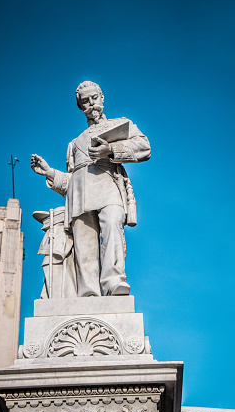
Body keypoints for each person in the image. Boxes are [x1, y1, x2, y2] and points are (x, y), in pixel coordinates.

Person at [31, 80, 150, 297]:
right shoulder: (74, 144)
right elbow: (72, 181)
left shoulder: (121, 125)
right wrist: (49, 172)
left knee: (113, 223)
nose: (91, 104)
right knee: (83, 243)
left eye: (94, 98)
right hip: (79, 195)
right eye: (85, 102)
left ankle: (114, 282)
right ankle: (89, 293)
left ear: (102, 98)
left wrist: (110, 149)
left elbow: (144, 147)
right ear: (81, 107)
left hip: (108, 184)